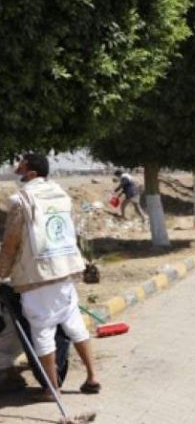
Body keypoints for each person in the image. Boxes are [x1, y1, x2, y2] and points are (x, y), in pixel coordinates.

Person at [0, 154, 99, 401]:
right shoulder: (61, 195)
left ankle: (51, 389)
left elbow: (11, 244)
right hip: (66, 271)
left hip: (39, 277)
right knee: (74, 324)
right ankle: (92, 377)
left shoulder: (22, 200)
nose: (17, 169)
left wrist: (2, 272)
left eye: (21, 166)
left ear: (32, 173)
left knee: (42, 331)